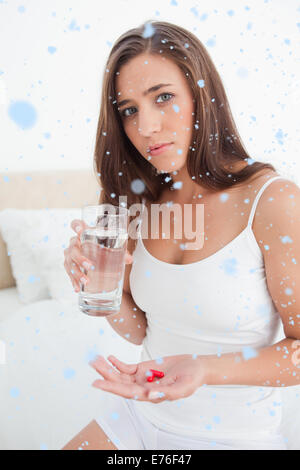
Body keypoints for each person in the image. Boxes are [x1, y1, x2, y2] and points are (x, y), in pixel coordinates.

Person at [62, 20, 300, 450]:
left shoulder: (272, 201)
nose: (147, 127)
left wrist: (204, 369)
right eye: (129, 109)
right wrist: (103, 288)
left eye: (163, 97)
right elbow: (141, 332)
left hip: (233, 434)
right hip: (139, 413)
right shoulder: (139, 202)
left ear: (202, 96)